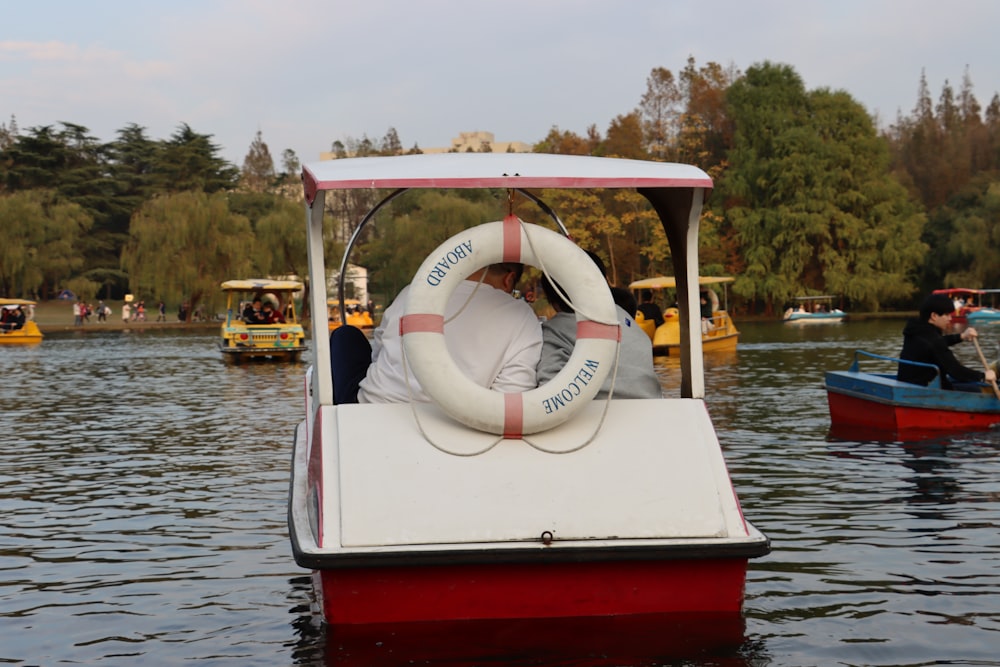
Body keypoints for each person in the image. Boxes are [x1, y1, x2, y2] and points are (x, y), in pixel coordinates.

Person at [357, 262, 543, 404]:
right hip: (457, 429)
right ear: (509, 279)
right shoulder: (521, 315)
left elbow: (379, 350)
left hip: (375, 407)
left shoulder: (412, 292)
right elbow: (511, 395)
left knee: (347, 337)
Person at [536, 251, 661, 400]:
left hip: (602, 418)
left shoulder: (556, 330)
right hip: (653, 408)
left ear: (554, 301)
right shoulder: (623, 316)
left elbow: (548, 394)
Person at [897, 293, 997, 390]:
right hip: (927, 389)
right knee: (980, 388)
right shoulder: (933, 340)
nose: (950, 319)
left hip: (910, 382)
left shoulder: (916, 331)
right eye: (947, 315)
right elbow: (956, 371)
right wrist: (984, 376)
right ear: (934, 316)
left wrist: (961, 336)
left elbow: (935, 344)